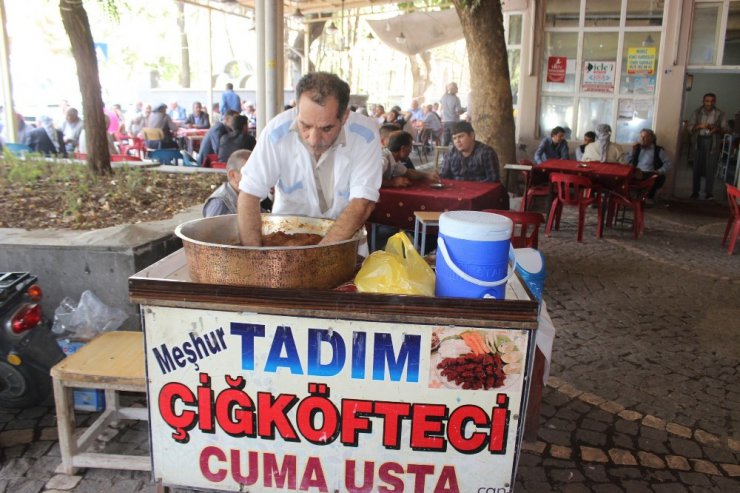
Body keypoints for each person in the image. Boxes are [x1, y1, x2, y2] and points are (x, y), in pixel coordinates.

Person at [237, 72, 382, 247]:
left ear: (344, 117)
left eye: (326, 128)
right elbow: (249, 194)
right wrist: (255, 259)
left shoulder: (365, 135)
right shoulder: (276, 133)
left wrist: (316, 257)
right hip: (286, 243)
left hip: (344, 245)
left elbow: (363, 203)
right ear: (297, 108)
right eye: (305, 125)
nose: (313, 139)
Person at [203, 150, 270, 216]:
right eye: (250, 173)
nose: (257, 177)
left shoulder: (255, 194)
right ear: (233, 175)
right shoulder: (219, 203)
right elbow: (210, 227)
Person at [689, 92, 728, 200]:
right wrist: (699, 126)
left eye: (712, 101)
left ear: (715, 102)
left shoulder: (720, 113)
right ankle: (695, 192)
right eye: (707, 101)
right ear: (703, 101)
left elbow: (726, 129)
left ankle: (709, 193)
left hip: (713, 141)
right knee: (696, 167)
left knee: (710, 168)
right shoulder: (697, 112)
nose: (709, 103)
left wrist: (717, 129)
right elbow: (689, 128)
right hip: (699, 141)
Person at [630, 128, 672, 203]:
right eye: (641, 137)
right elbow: (627, 161)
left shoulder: (658, 150)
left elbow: (668, 163)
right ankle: (630, 198)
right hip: (637, 172)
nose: (642, 139)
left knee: (654, 176)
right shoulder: (637, 148)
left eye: (645, 137)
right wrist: (633, 151)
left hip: (649, 173)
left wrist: (659, 171)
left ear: (651, 138)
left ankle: (647, 198)